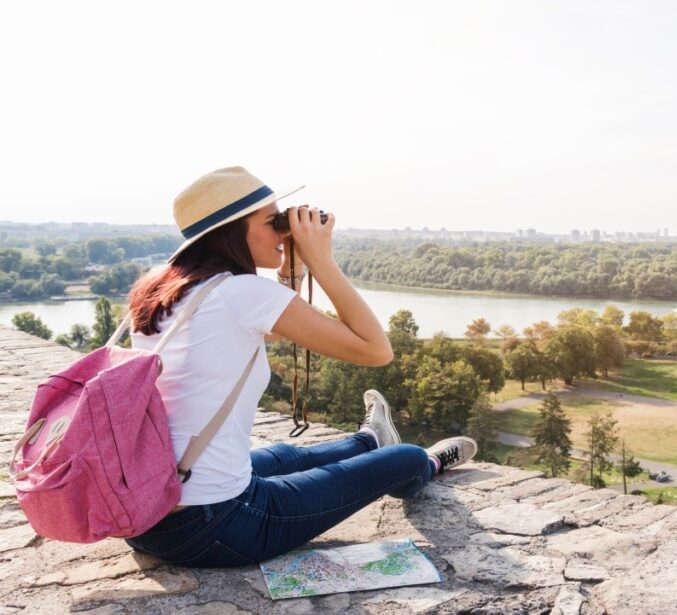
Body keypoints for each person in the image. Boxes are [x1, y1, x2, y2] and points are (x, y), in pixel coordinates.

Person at [124, 166, 477, 568]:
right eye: (273, 221)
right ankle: (425, 463)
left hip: (149, 512)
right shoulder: (241, 293)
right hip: (217, 526)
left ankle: (370, 440)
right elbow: (376, 350)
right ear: (234, 231)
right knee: (405, 459)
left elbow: (269, 327)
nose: (282, 230)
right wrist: (321, 260)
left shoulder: (163, 288)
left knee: (285, 457)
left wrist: (290, 263)